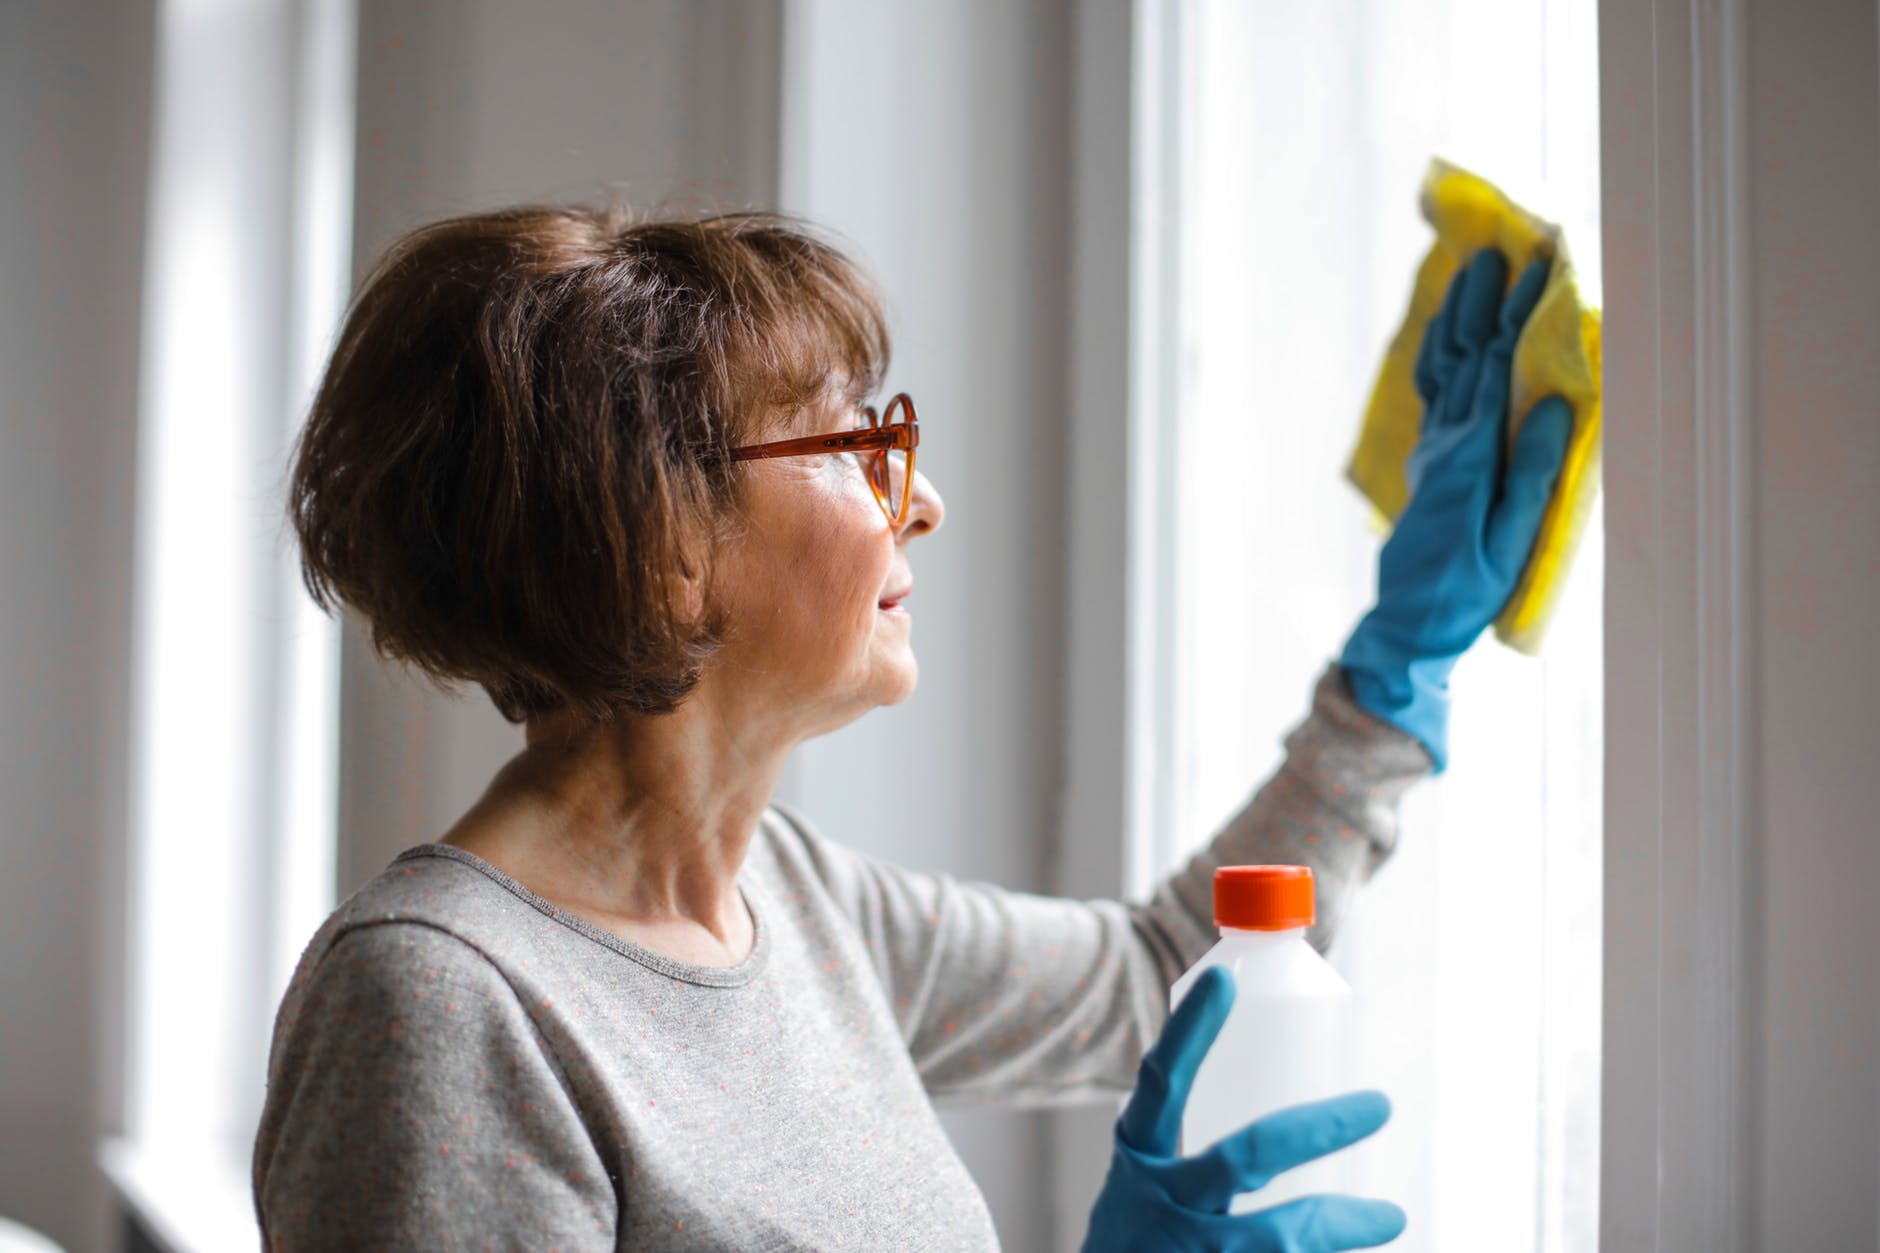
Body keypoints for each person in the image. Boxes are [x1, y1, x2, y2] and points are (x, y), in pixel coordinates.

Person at [252, 205, 1567, 1250]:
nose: (922, 498)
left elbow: (1159, 974)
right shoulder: (441, 1005)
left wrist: (1397, 666)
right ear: (660, 543)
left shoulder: (800, 905)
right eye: (853, 443)